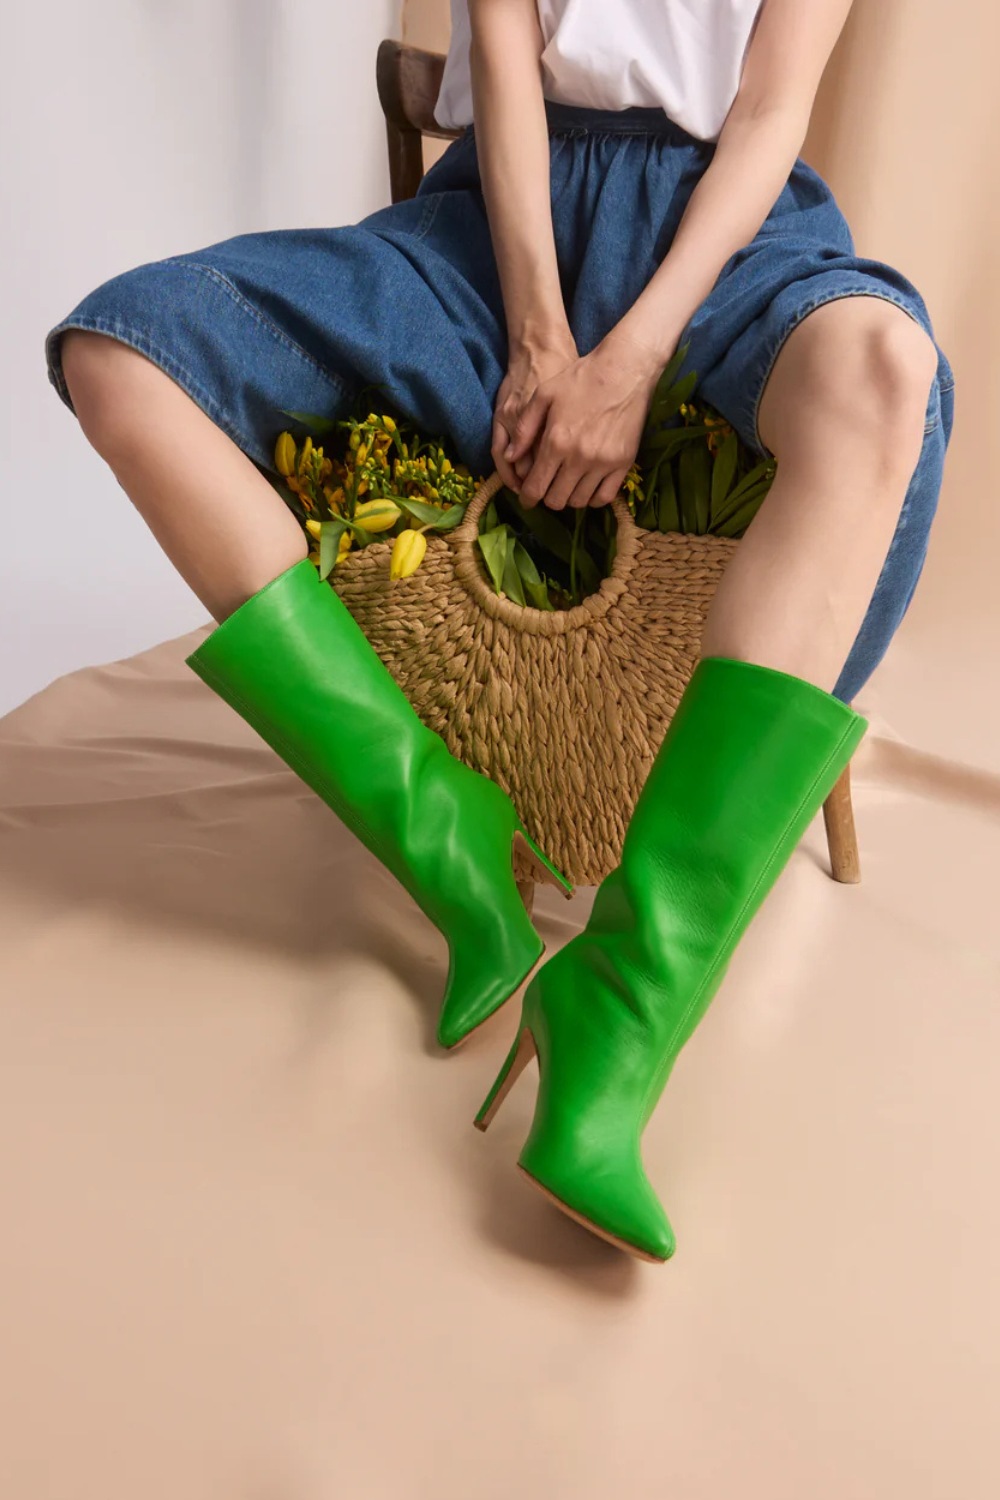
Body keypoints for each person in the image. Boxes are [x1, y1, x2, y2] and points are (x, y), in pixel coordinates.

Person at [44, 0, 955, 1260]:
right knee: (121, 354)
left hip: (724, 239)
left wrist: (630, 360)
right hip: (495, 232)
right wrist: (538, 339)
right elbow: (511, 74)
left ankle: (621, 1012)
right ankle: (446, 833)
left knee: (884, 371)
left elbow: (765, 110)